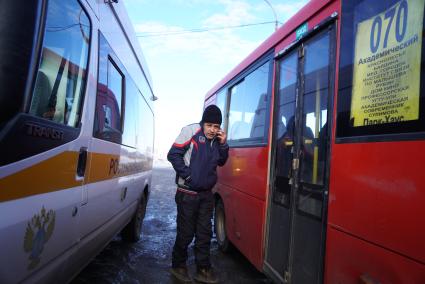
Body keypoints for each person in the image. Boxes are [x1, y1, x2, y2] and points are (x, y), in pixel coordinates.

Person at [167, 105, 229, 283]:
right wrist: (187, 176)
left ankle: (203, 269)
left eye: (216, 126)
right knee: (185, 233)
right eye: (209, 125)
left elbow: (223, 161)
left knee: (204, 234)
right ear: (203, 123)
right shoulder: (191, 131)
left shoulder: (218, 140)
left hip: (206, 195)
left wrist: (224, 144)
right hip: (187, 193)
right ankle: (178, 266)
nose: (212, 130)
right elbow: (173, 154)